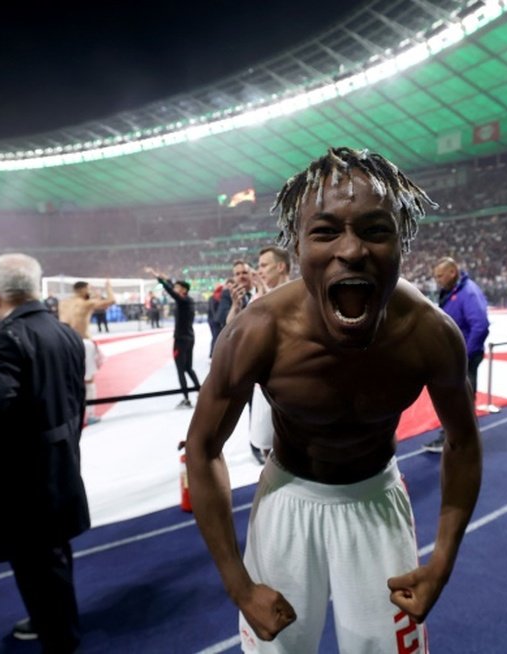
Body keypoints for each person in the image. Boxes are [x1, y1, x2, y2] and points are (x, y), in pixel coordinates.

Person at [186, 147, 483, 653]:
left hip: (376, 502)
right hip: (287, 501)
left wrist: (442, 564)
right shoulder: (259, 331)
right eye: (325, 232)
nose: (352, 251)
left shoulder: (431, 335)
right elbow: (203, 447)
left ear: (401, 242)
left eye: (374, 230)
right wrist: (238, 586)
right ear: (297, 247)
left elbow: (463, 444)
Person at [0, 253, 89, 653]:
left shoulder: (6, 338)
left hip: (23, 478)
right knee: (54, 557)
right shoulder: (64, 332)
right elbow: (77, 400)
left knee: (35, 564)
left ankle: (59, 636)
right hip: (58, 465)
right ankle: (55, 618)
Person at [423, 256, 490, 453]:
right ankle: (463, 438)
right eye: (436, 276)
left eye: (440, 276)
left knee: (457, 399)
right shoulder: (453, 291)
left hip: (464, 357)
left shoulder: (467, 292)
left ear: (453, 272)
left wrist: (465, 354)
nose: (437, 280)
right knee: (457, 398)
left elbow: (480, 325)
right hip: (454, 355)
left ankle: (455, 441)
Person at [247, 246, 293, 464]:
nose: (259, 271)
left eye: (264, 265)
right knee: (265, 445)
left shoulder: (302, 295)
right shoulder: (256, 301)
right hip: (263, 385)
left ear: (281, 266)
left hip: (294, 383)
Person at [59, 279, 115, 425]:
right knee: (88, 380)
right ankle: (90, 415)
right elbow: (111, 300)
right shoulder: (86, 303)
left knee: (68, 380)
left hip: (64, 343)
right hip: (82, 342)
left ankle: (70, 413)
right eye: (88, 289)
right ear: (83, 290)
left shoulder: (63, 303)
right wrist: (107, 287)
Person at [146, 267, 201, 408]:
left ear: (183, 290)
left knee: (181, 370)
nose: (175, 289)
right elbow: (173, 289)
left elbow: (171, 292)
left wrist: (159, 279)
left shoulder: (182, 301)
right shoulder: (188, 300)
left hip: (181, 340)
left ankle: (186, 399)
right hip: (189, 338)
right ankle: (200, 392)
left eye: (178, 287)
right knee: (188, 368)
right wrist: (167, 279)